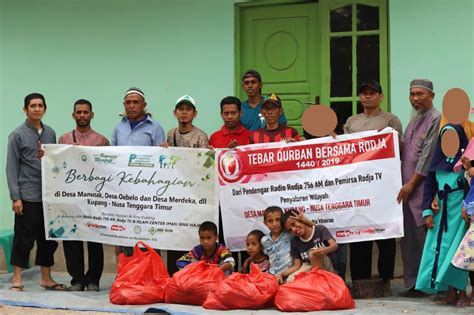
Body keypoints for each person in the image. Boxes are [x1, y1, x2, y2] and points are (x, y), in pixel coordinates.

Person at [344, 80, 403, 293]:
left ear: (381, 96)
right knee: (359, 232)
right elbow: (344, 151)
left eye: (372, 93)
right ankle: (360, 280)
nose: (367, 96)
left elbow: (398, 149)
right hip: (357, 186)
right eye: (363, 93)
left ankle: (385, 279)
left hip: (382, 186)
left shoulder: (391, 120)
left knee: (384, 234)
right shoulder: (352, 121)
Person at [6, 93, 66, 291]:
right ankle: (17, 278)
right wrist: (16, 197)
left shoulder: (50, 133)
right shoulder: (17, 135)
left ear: (45, 109)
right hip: (27, 194)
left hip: (48, 195)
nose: (37, 109)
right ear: (25, 109)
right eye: (33, 106)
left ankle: (46, 278)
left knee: (47, 238)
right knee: (23, 237)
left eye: (40, 105)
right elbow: (12, 167)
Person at [415, 124, 470, 306]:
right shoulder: (436, 160)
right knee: (441, 251)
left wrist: (468, 207)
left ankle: (461, 292)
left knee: (458, 252)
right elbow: (429, 187)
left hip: (460, 213)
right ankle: (448, 291)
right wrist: (427, 210)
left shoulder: (466, 161)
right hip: (440, 213)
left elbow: (470, 184)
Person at [395, 79, 441, 297]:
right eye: (412, 94)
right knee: (409, 241)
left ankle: (430, 284)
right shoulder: (413, 121)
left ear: (431, 95)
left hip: (422, 189)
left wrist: (412, 183)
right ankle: (413, 284)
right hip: (405, 190)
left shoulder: (436, 119)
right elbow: (405, 150)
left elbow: (427, 156)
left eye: (420, 94)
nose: (415, 99)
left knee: (425, 238)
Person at [58, 99, 108, 291]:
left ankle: (93, 279)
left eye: (85, 112)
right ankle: (77, 280)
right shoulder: (63, 140)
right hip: (71, 198)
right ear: (73, 115)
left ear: (92, 115)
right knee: (72, 240)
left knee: (95, 239)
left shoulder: (101, 141)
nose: (82, 116)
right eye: (78, 112)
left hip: (94, 199)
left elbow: (108, 170)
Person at [164, 95, 209, 274]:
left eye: (188, 109)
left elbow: (205, 165)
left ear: (194, 113)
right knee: (175, 234)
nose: (184, 112)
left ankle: (192, 273)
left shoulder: (201, 136)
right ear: (175, 112)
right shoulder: (171, 134)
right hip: (175, 193)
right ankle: (174, 274)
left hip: (194, 194)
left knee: (190, 234)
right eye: (181, 109)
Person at [281, 210, 338, 282]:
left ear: (301, 219)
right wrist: (282, 274)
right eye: (290, 230)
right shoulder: (294, 242)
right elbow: (297, 265)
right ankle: (314, 280)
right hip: (308, 266)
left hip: (325, 264)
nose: (294, 229)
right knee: (290, 280)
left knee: (313, 253)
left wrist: (325, 250)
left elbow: (334, 246)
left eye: (293, 224)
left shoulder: (319, 229)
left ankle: (316, 280)